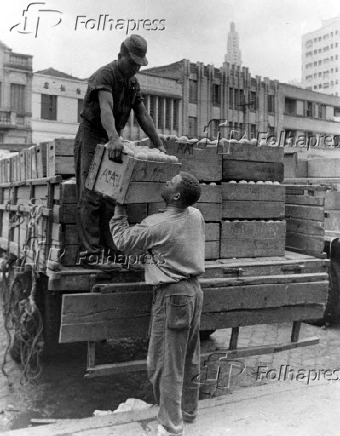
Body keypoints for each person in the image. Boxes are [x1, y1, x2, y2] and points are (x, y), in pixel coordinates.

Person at [110, 172, 205, 436]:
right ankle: (187, 412)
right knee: (188, 357)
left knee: (165, 363)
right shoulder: (195, 215)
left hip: (173, 296)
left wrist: (119, 209)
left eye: (170, 183)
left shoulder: (158, 224)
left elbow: (122, 241)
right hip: (194, 292)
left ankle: (170, 427)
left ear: (176, 196)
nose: (164, 182)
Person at [74, 34, 165, 259]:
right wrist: (113, 138)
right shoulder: (105, 75)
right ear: (120, 56)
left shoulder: (133, 83)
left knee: (110, 195)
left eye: (139, 65)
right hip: (93, 134)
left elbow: (142, 114)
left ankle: (110, 250)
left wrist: (158, 143)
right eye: (132, 62)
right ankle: (90, 254)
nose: (135, 68)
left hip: (113, 137)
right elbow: (106, 108)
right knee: (91, 193)